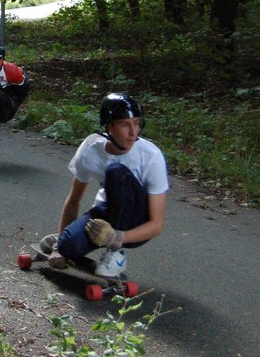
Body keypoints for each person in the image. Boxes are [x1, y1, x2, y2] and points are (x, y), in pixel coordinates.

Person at [41, 92, 169, 278]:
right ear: (109, 126)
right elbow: (74, 200)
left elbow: (156, 225)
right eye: (125, 124)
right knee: (68, 246)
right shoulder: (91, 149)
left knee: (116, 171)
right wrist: (61, 245)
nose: (133, 132)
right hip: (106, 211)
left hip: (138, 219)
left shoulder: (151, 156)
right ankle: (66, 241)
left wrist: (116, 238)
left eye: (137, 123)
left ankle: (115, 254)